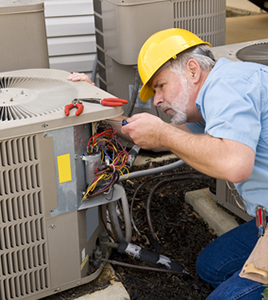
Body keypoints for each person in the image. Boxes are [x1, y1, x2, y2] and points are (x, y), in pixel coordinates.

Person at [68, 28, 268, 299]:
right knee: (212, 266)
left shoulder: (229, 86)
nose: (157, 100)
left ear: (193, 70)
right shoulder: (209, 100)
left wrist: (163, 132)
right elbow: (161, 138)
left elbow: (234, 163)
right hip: (263, 219)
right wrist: (97, 104)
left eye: (161, 85)